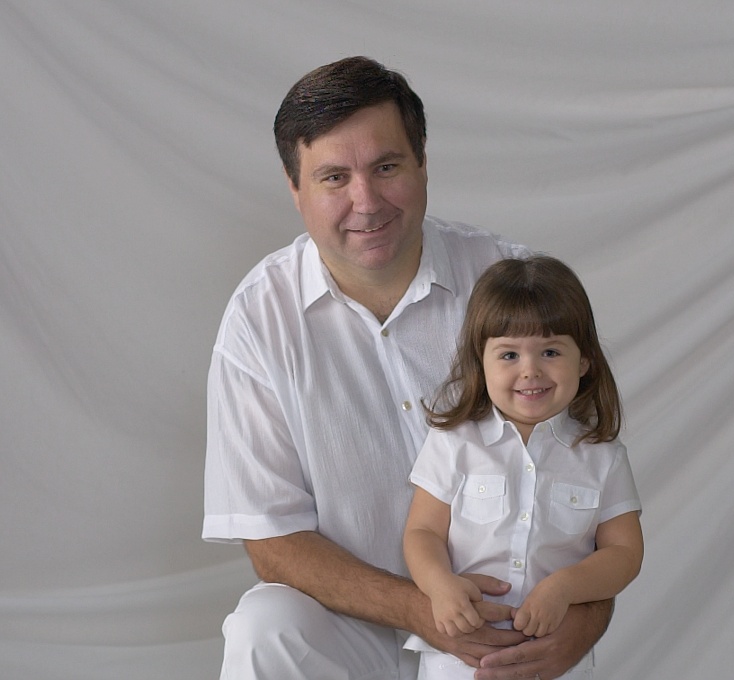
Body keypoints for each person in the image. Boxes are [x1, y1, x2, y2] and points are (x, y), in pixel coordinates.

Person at [203, 55, 615, 680]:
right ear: (295, 188)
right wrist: (422, 610)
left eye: (386, 167)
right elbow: (272, 540)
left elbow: (591, 487)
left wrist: (581, 623)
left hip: (500, 620)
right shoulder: (259, 319)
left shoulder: (512, 286)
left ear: (423, 163)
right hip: (348, 625)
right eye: (334, 177)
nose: (365, 201)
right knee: (264, 628)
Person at [403, 256, 643, 679]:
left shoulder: (603, 456)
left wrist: (565, 587)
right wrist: (440, 585)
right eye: (509, 354)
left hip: (553, 663)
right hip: (457, 662)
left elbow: (624, 552)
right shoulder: (454, 443)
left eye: (550, 351)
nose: (530, 370)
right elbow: (423, 532)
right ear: (481, 362)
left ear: (583, 360)